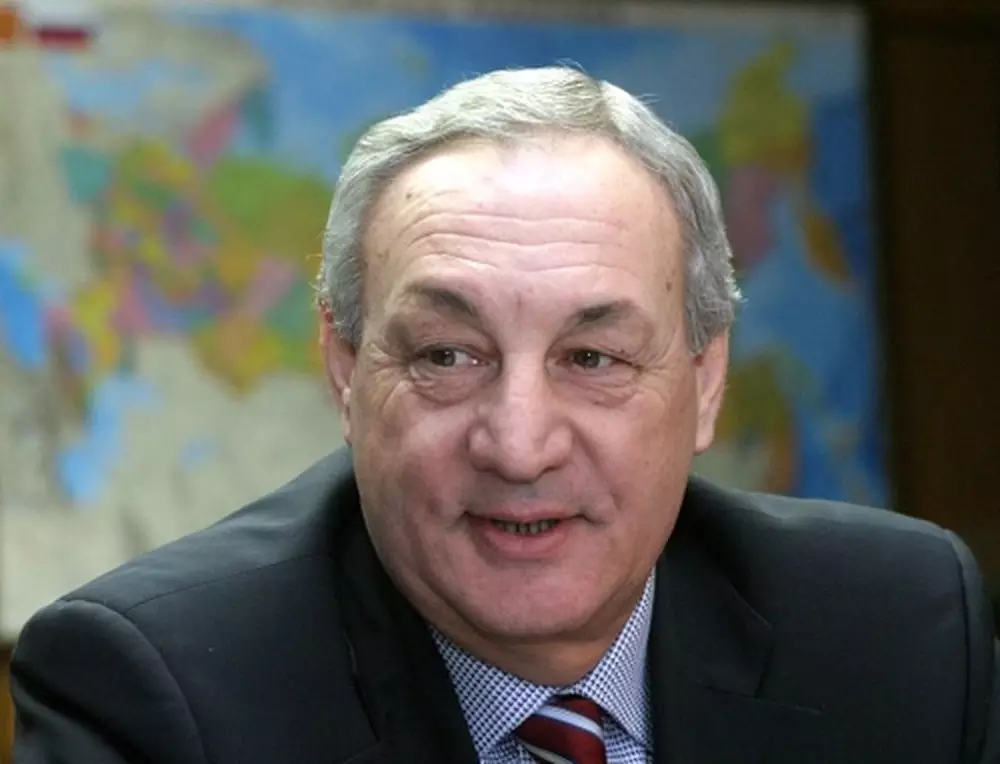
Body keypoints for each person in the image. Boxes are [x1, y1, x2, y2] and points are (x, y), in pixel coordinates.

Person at [11, 66, 999, 764]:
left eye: (592, 358)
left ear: (704, 381)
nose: (520, 446)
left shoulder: (900, 634)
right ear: (346, 369)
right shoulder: (154, 696)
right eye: (447, 356)